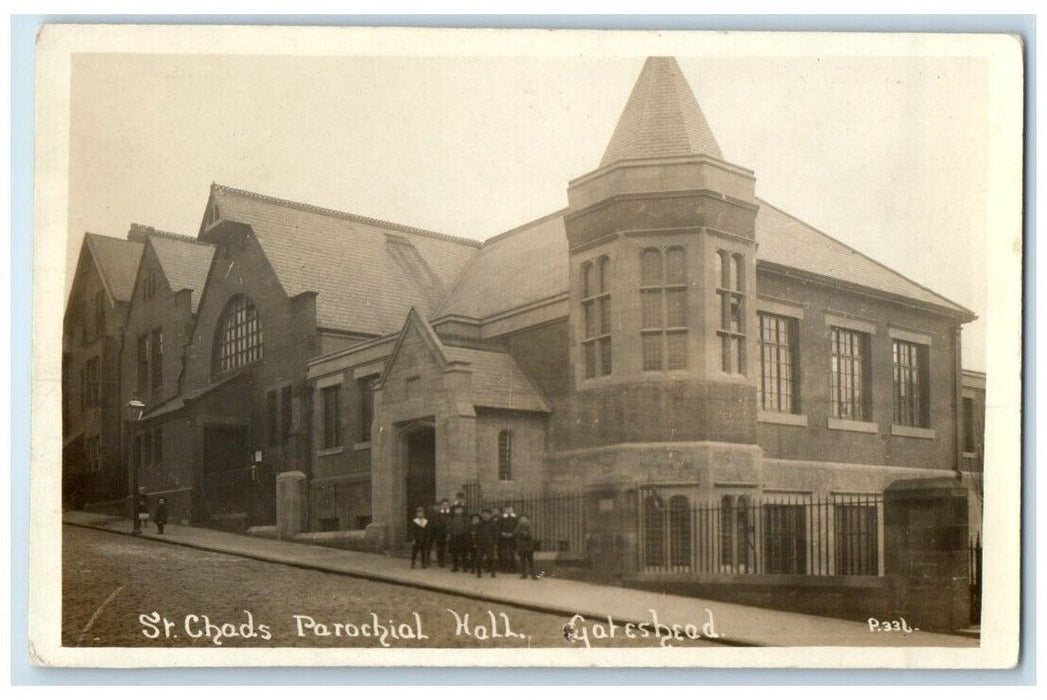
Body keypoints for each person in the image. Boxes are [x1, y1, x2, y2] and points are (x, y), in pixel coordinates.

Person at [474, 508, 498, 578]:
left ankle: (493, 572)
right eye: (484, 514)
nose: (485, 516)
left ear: (490, 515)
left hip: (489, 544)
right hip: (480, 544)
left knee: (491, 558)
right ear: (481, 515)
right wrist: (475, 542)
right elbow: (476, 534)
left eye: (487, 514)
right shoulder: (479, 524)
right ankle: (479, 573)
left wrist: (495, 543)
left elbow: (495, 535)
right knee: (479, 559)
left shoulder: (493, 524)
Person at [515, 515, 539, 580]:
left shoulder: (529, 526)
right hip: (521, 547)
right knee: (522, 561)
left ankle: (533, 575)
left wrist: (522, 534)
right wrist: (522, 534)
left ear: (526, 520)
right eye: (521, 519)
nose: (522, 521)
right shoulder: (518, 527)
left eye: (523, 519)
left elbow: (528, 535)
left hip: (529, 547)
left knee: (531, 561)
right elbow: (516, 533)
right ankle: (524, 574)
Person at [447, 504, 469, 572]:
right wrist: (448, 534)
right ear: (454, 511)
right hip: (454, 537)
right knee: (454, 553)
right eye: (456, 509)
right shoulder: (451, 519)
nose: (458, 511)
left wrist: (466, 535)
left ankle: (464, 567)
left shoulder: (465, 519)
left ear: (462, 510)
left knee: (463, 553)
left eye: (459, 509)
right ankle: (455, 567)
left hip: (462, 537)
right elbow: (448, 527)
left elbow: (467, 528)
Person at [430, 498, 451, 567]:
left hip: (449, 533)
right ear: (441, 505)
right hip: (440, 533)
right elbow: (436, 523)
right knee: (440, 548)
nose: (445, 506)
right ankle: (440, 561)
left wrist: (449, 533)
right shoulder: (438, 514)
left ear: (448, 505)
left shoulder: (451, 513)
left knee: (449, 548)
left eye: (446, 504)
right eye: (443, 504)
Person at [497, 503, 519, 572]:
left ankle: (513, 568)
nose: (508, 510)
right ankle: (505, 568)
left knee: (512, 553)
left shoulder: (515, 518)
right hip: (503, 538)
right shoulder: (501, 518)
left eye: (510, 509)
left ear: (512, 510)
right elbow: (498, 527)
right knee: (504, 553)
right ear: (504, 510)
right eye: (507, 509)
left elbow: (517, 527)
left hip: (512, 538)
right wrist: (502, 533)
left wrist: (512, 533)